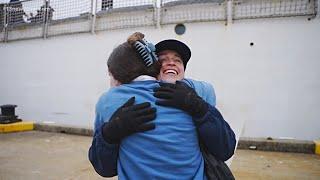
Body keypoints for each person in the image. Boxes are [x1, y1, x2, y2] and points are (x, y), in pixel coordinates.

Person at [89, 33, 236, 178]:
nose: (171, 62)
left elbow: (225, 149)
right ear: (152, 68)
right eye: (163, 59)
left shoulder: (200, 92)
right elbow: (105, 167)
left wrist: (199, 107)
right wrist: (110, 133)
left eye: (178, 60)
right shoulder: (124, 98)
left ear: (184, 71)